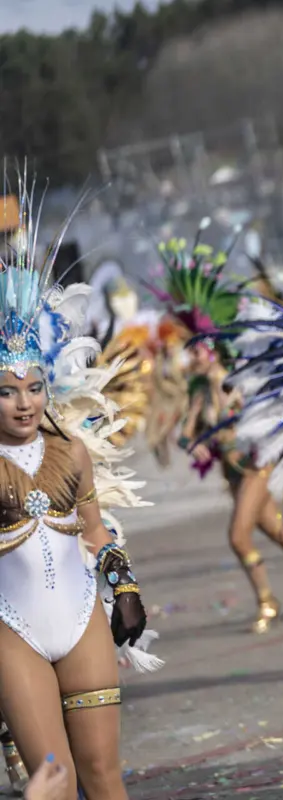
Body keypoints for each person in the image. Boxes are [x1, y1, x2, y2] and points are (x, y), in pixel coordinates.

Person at [0, 186, 149, 799]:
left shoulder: (72, 451)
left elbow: (92, 527)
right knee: (53, 785)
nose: (25, 402)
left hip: (82, 615)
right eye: (7, 391)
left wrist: (125, 584)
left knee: (105, 781)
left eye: (33, 387)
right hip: (12, 628)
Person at [154, 230, 283, 634]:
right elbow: (188, 435)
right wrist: (196, 444)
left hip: (255, 464)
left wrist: (222, 434)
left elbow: (257, 421)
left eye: (197, 348)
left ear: (212, 348)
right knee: (277, 531)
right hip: (232, 473)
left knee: (239, 537)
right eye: (189, 349)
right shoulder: (199, 388)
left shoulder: (234, 382)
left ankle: (267, 601)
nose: (192, 356)